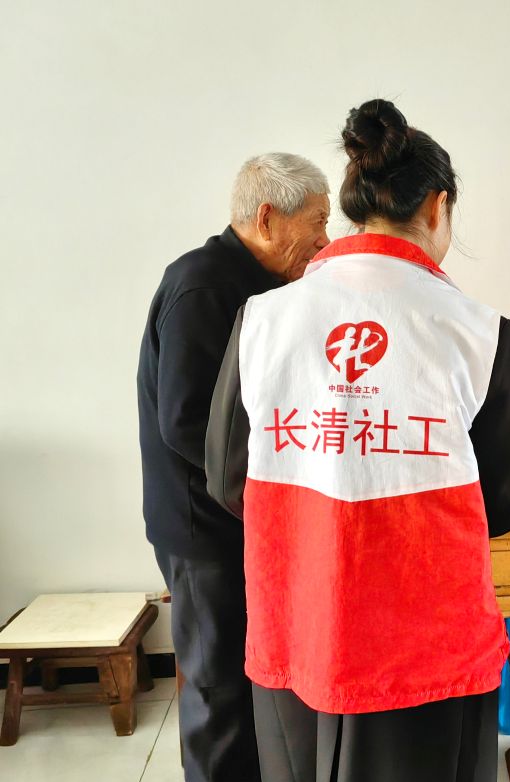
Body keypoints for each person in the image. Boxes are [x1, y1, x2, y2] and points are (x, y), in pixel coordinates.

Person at [205, 99, 510, 782]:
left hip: (300, 620)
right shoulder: (476, 330)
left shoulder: (263, 318)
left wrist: (320, 524)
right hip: (427, 647)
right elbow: (501, 504)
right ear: (438, 207)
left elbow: (228, 476)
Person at [137, 153, 330, 782]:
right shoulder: (202, 285)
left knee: (251, 683)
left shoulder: (265, 283)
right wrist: (271, 495)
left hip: (243, 521)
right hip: (204, 529)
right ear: (268, 219)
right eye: (317, 221)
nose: (324, 239)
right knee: (216, 689)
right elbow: (186, 420)